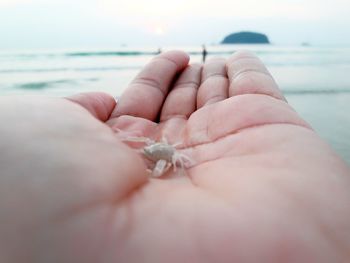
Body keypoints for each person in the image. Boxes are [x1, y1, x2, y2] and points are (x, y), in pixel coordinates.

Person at [0, 50, 350, 263]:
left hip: (172, 150)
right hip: (164, 149)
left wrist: (164, 162)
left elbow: (170, 156)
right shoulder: (151, 151)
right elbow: (146, 149)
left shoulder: (169, 156)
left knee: (168, 157)